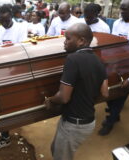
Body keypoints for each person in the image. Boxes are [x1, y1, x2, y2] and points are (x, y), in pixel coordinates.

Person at [45, 23, 108, 160]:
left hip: (74, 125)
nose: (64, 42)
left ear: (81, 41)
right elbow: (105, 93)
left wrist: (50, 100)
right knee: (55, 148)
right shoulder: (99, 61)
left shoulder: (73, 59)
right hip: (88, 122)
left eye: (68, 39)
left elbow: (63, 97)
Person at [98, 0, 129, 136]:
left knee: (121, 94)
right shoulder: (117, 23)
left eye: (124, 9)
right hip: (113, 65)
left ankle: (110, 122)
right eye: (121, 7)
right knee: (109, 92)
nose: (121, 11)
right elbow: (112, 43)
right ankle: (114, 112)